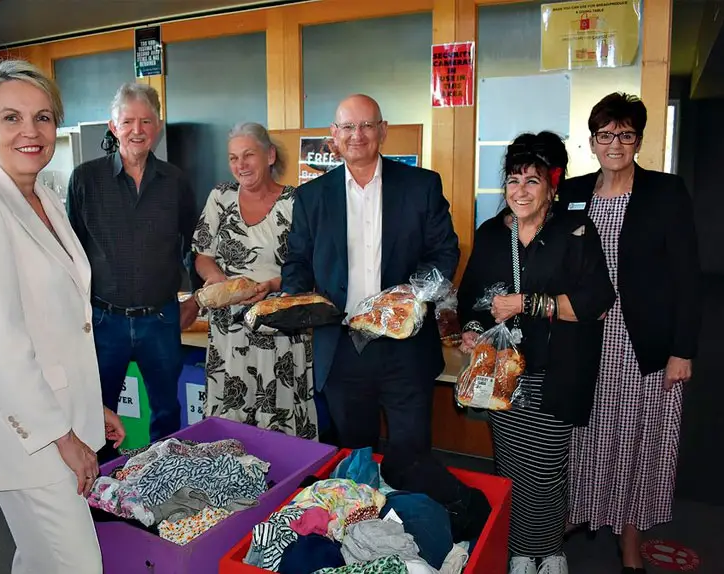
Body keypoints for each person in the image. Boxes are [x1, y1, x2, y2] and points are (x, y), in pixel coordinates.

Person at [0, 59, 125, 574]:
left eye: (43, 117)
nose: (31, 131)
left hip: (59, 417)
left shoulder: (43, 196)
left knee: (42, 560)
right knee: (79, 564)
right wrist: (62, 435)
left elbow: (61, 323)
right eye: (11, 118)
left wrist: (90, 409)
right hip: (26, 435)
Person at [457, 131, 615, 574]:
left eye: (532, 181)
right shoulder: (491, 234)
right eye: (512, 181)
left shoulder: (574, 231)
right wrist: (473, 330)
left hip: (558, 370)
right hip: (504, 372)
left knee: (545, 468)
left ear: (551, 186)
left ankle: (546, 550)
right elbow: (473, 298)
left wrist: (528, 303)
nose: (520, 191)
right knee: (509, 463)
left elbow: (596, 303)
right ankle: (522, 551)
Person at [563, 93, 701, 574]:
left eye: (625, 134)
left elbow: (688, 277)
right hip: (584, 339)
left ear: (638, 140)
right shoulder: (573, 191)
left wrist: (683, 351)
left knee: (639, 441)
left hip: (643, 343)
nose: (615, 143)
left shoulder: (665, 192)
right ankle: (580, 514)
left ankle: (630, 537)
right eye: (606, 135)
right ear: (592, 141)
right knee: (583, 435)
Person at [282, 94, 460, 455]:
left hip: (406, 345)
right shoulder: (311, 196)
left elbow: (444, 252)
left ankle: (411, 512)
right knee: (353, 455)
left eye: (366, 125)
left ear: (383, 130)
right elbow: (298, 261)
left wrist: (408, 298)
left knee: (412, 454)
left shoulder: (421, 186)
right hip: (343, 348)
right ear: (334, 134)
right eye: (347, 126)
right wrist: (293, 299)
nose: (356, 135)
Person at [67, 82, 199, 448]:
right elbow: (69, 253)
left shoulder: (175, 182)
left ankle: (165, 486)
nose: (136, 131)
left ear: (158, 127)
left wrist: (197, 298)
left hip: (160, 318)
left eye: (145, 121)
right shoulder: (85, 180)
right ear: (113, 127)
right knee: (98, 412)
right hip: (103, 321)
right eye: (127, 122)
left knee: (166, 412)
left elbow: (194, 243)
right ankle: (101, 493)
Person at [192, 122, 318, 439]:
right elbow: (201, 254)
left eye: (249, 155)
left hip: (280, 328)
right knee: (229, 420)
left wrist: (272, 285)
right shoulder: (219, 197)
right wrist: (219, 279)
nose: (240, 165)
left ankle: (287, 484)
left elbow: (310, 266)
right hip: (229, 332)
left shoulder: (296, 202)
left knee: (281, 419)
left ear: (270, 155)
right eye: (233, 158)